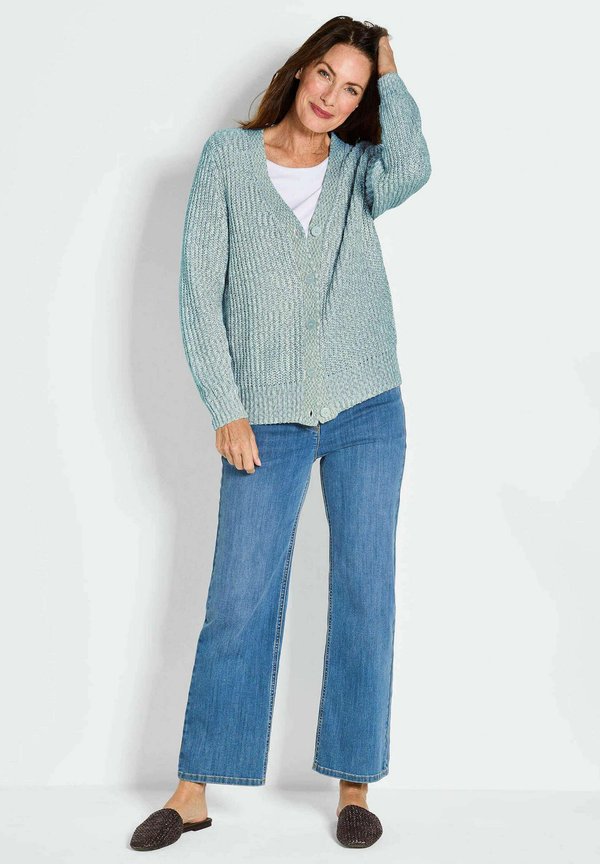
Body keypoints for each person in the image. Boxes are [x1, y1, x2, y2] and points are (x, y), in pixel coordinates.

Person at [130, 14, 431, 852]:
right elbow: (199, 288)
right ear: (301, 70)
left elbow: (415, 165)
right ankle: (194, 789)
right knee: (239, 597)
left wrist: (392, 74)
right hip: (264, 416)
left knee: (366, 590)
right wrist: (225, 406)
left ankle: (354, 785)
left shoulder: (361, 171)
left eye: (354, 88)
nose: (334, 96)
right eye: (327, 75)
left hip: (367, 407)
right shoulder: (228, 159)